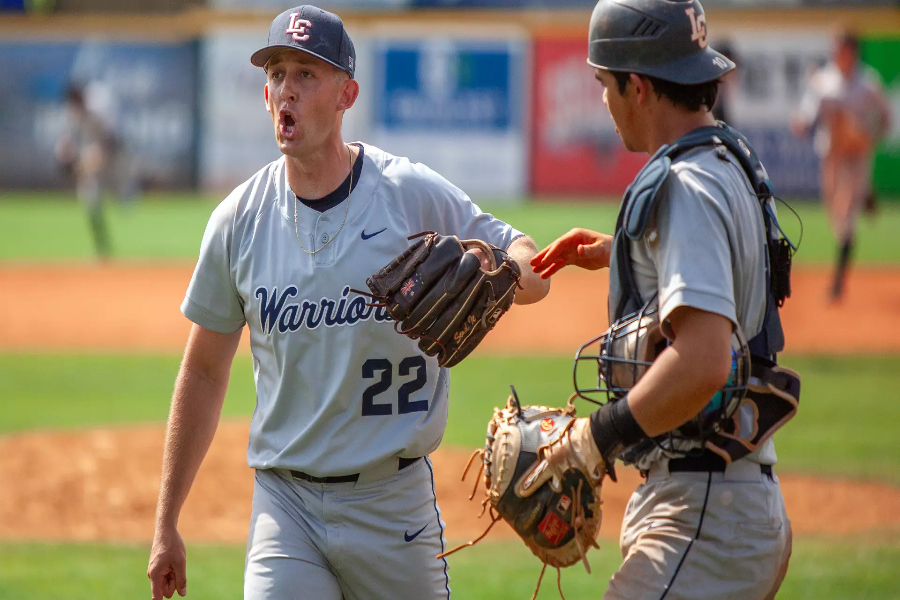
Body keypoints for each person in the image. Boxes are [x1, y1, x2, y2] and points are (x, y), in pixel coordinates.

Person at [145, 5, 549, 600]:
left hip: (394, 505)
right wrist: (166, 523)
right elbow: (204, 370)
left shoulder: (407, 193)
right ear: (265, 95)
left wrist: (500, 269)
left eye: (306, 74)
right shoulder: (239, 220)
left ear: (346, 95)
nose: (287, 89)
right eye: (277, 74)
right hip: (286, 504)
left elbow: (530, 261)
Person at [530, 1, 795, 598]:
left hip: (704, 513)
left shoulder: (684, 184)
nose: (604, 101)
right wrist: (625, 251)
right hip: (731, 498)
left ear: (639, 87)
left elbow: (703, 362)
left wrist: (595, 439)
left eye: (606, 84)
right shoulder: (727, 159)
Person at [792, 31, 891, 302]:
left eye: (843, 49)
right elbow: (808, 114)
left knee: (846, 213)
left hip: (856, 158)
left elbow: (885, 118)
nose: (838, 54)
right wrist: (801, 122)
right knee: (834, 208)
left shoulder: (868, 82)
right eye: (836, 49)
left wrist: (866, 135)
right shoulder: (823, 80)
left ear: (853, 52)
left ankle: (838, 281)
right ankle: (865, 194)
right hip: (832, 157)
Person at [55, 83, 140, 260]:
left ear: (82, 97)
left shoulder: (100, 106)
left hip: (115, 157)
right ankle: (103, 247)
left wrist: (83, 164)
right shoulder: (71, 113)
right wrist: (73, 162)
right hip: (92, 155)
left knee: (125, 200)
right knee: (90, 197)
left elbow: (107, 146)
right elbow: (66, 148)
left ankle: (129, 190)